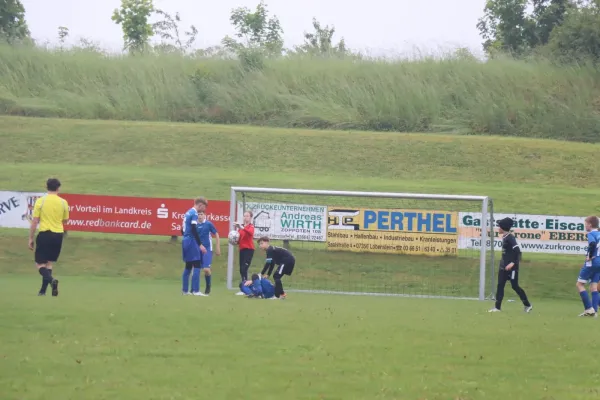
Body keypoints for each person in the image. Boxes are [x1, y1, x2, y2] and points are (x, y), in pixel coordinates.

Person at [28, 178, 69, 297]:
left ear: (46, 187)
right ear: (58, 188)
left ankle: (51, 281)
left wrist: (30, 238)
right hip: (58, 234)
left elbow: (35, 221)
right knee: (49, 263)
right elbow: (65, 220)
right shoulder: (63, 202)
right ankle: (43, 291)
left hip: (45, 233)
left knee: (40, 264)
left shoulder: (41, 201)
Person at [489, 217, 532, 313]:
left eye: (499, 226)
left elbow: (518, 252)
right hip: (503, 267)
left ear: (503, 227)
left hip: (512, 268)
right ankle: (497, 308)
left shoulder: (510, 238)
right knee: (500, 285)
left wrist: (513, 263)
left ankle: (527, 305)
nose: (498, 228)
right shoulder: (504, 237)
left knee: (515, 286)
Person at [181, 197, 208, 296]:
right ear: (200, 205)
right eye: (204, 207)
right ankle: (196, 291)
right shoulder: (194, 214)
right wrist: (200, 244)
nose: (204, 210)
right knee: (197, 264)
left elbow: (182, 229)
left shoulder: (188, 212)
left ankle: (185, 290)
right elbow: (193, 229)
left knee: (188, 266)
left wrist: (186, 238)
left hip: (185, 240)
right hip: (191, 241)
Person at [575, 216, 600, 317]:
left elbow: (592, 244)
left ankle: (589, 309)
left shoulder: (591, 234)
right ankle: (594, 312)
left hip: (592, 263)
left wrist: (589, 256)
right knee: (594, 286)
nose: (585, 225)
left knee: (579, 284)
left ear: (590, 225)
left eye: (585, 224)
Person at [196, 211, 221, 295]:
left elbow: (216, 234)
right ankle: (195, 289)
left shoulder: (208, 224)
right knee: (196, 269)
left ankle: (208, 285)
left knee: (206, 269)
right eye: (198, 214)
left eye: (201, 214)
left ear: (204, 216)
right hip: (197, 248)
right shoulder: (194, 224)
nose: (200, 216)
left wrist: (217, 246)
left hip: (207, 249)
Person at [234, 211, 255, 295]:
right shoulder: (241, 228)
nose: (245, 217)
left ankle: (246, 288)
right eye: (244, 216)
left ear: (250, 218)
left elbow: (250, 233)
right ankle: (244, 288)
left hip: (249, 250)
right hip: (242, 249)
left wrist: (242, 227)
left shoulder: (251, 226)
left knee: (244, 268)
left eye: (247, 216)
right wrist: (234, 239)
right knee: (241, 270)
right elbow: (238, 239)